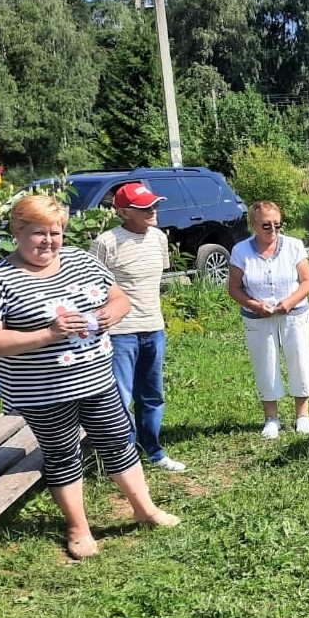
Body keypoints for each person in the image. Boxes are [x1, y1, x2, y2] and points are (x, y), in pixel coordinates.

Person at [0, 195, 180, 561]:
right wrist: (48, 334)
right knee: (63, 454)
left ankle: (145, 509)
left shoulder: (80, 260)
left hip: (96, 379)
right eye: (38, 233)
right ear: (17, 231)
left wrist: (110, 314)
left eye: (55, 232)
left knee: (117, 442)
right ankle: (79, 527)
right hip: (43, 391)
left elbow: (119, 299)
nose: (48, 241)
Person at [90, 182, 185, 472]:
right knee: (120, 397)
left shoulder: (158, 238)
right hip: (119, 332)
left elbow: (156, 280)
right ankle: (124, 458)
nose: (152, 210)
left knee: (152, 394)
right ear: (123, 211)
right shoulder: (107, 243)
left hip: (153, 326)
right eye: (144, 207)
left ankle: (154, 452)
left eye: (154, 204)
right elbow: (91, 287)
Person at [228, 201, 309, 439]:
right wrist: (255, 305)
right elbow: (234, 288)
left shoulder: (294, 246)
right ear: (253, 224)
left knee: (300, 360)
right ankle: (271, 418)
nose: (274, 230)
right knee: (265, 363)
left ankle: (303, 416)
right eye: (267, 226)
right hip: (258, 317)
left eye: (278, 225)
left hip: (293, 313)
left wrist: (289, 302)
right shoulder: (241, 251)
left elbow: (308, 281)